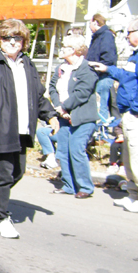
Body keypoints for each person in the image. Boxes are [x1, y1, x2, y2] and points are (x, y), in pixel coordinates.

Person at [0, 19, 60, 239]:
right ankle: (0, 219)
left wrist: (50, 115)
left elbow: (37, 94)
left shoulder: (27, 63)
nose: (12, 42)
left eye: (17, 38)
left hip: (22, 127)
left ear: (24, 41)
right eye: (7, 38)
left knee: (17, 173)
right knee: (3, 174)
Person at [89, 17, 138, 213]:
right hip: (129, 113)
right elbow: (127, 76)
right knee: (130, 159)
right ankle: (133, 195)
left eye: (129, 32)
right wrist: (109, 69)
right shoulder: (136, 54)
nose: (126, 36)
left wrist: (136, 109)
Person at [48, 35, 98, 198]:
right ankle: (69, 185)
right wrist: (58, 107)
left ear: (74, 50)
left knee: (76, 149)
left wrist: (65, 107)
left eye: (65, 47)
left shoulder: (86, 68)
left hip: (82, 118)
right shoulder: (61, 68)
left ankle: (85, 187)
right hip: (64, 116)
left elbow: (82, 93)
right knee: (62, 151)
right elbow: (52, 87)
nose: (61, 49)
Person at [87, 13, 118, 124]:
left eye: (90, 23)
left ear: (95, 22)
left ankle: (101, 133)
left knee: (101, 105)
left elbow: (108, 58)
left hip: (103, 76)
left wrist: (95, 66)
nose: (89, 26)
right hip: (97, 76)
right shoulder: (98, 36)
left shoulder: (106, 36)